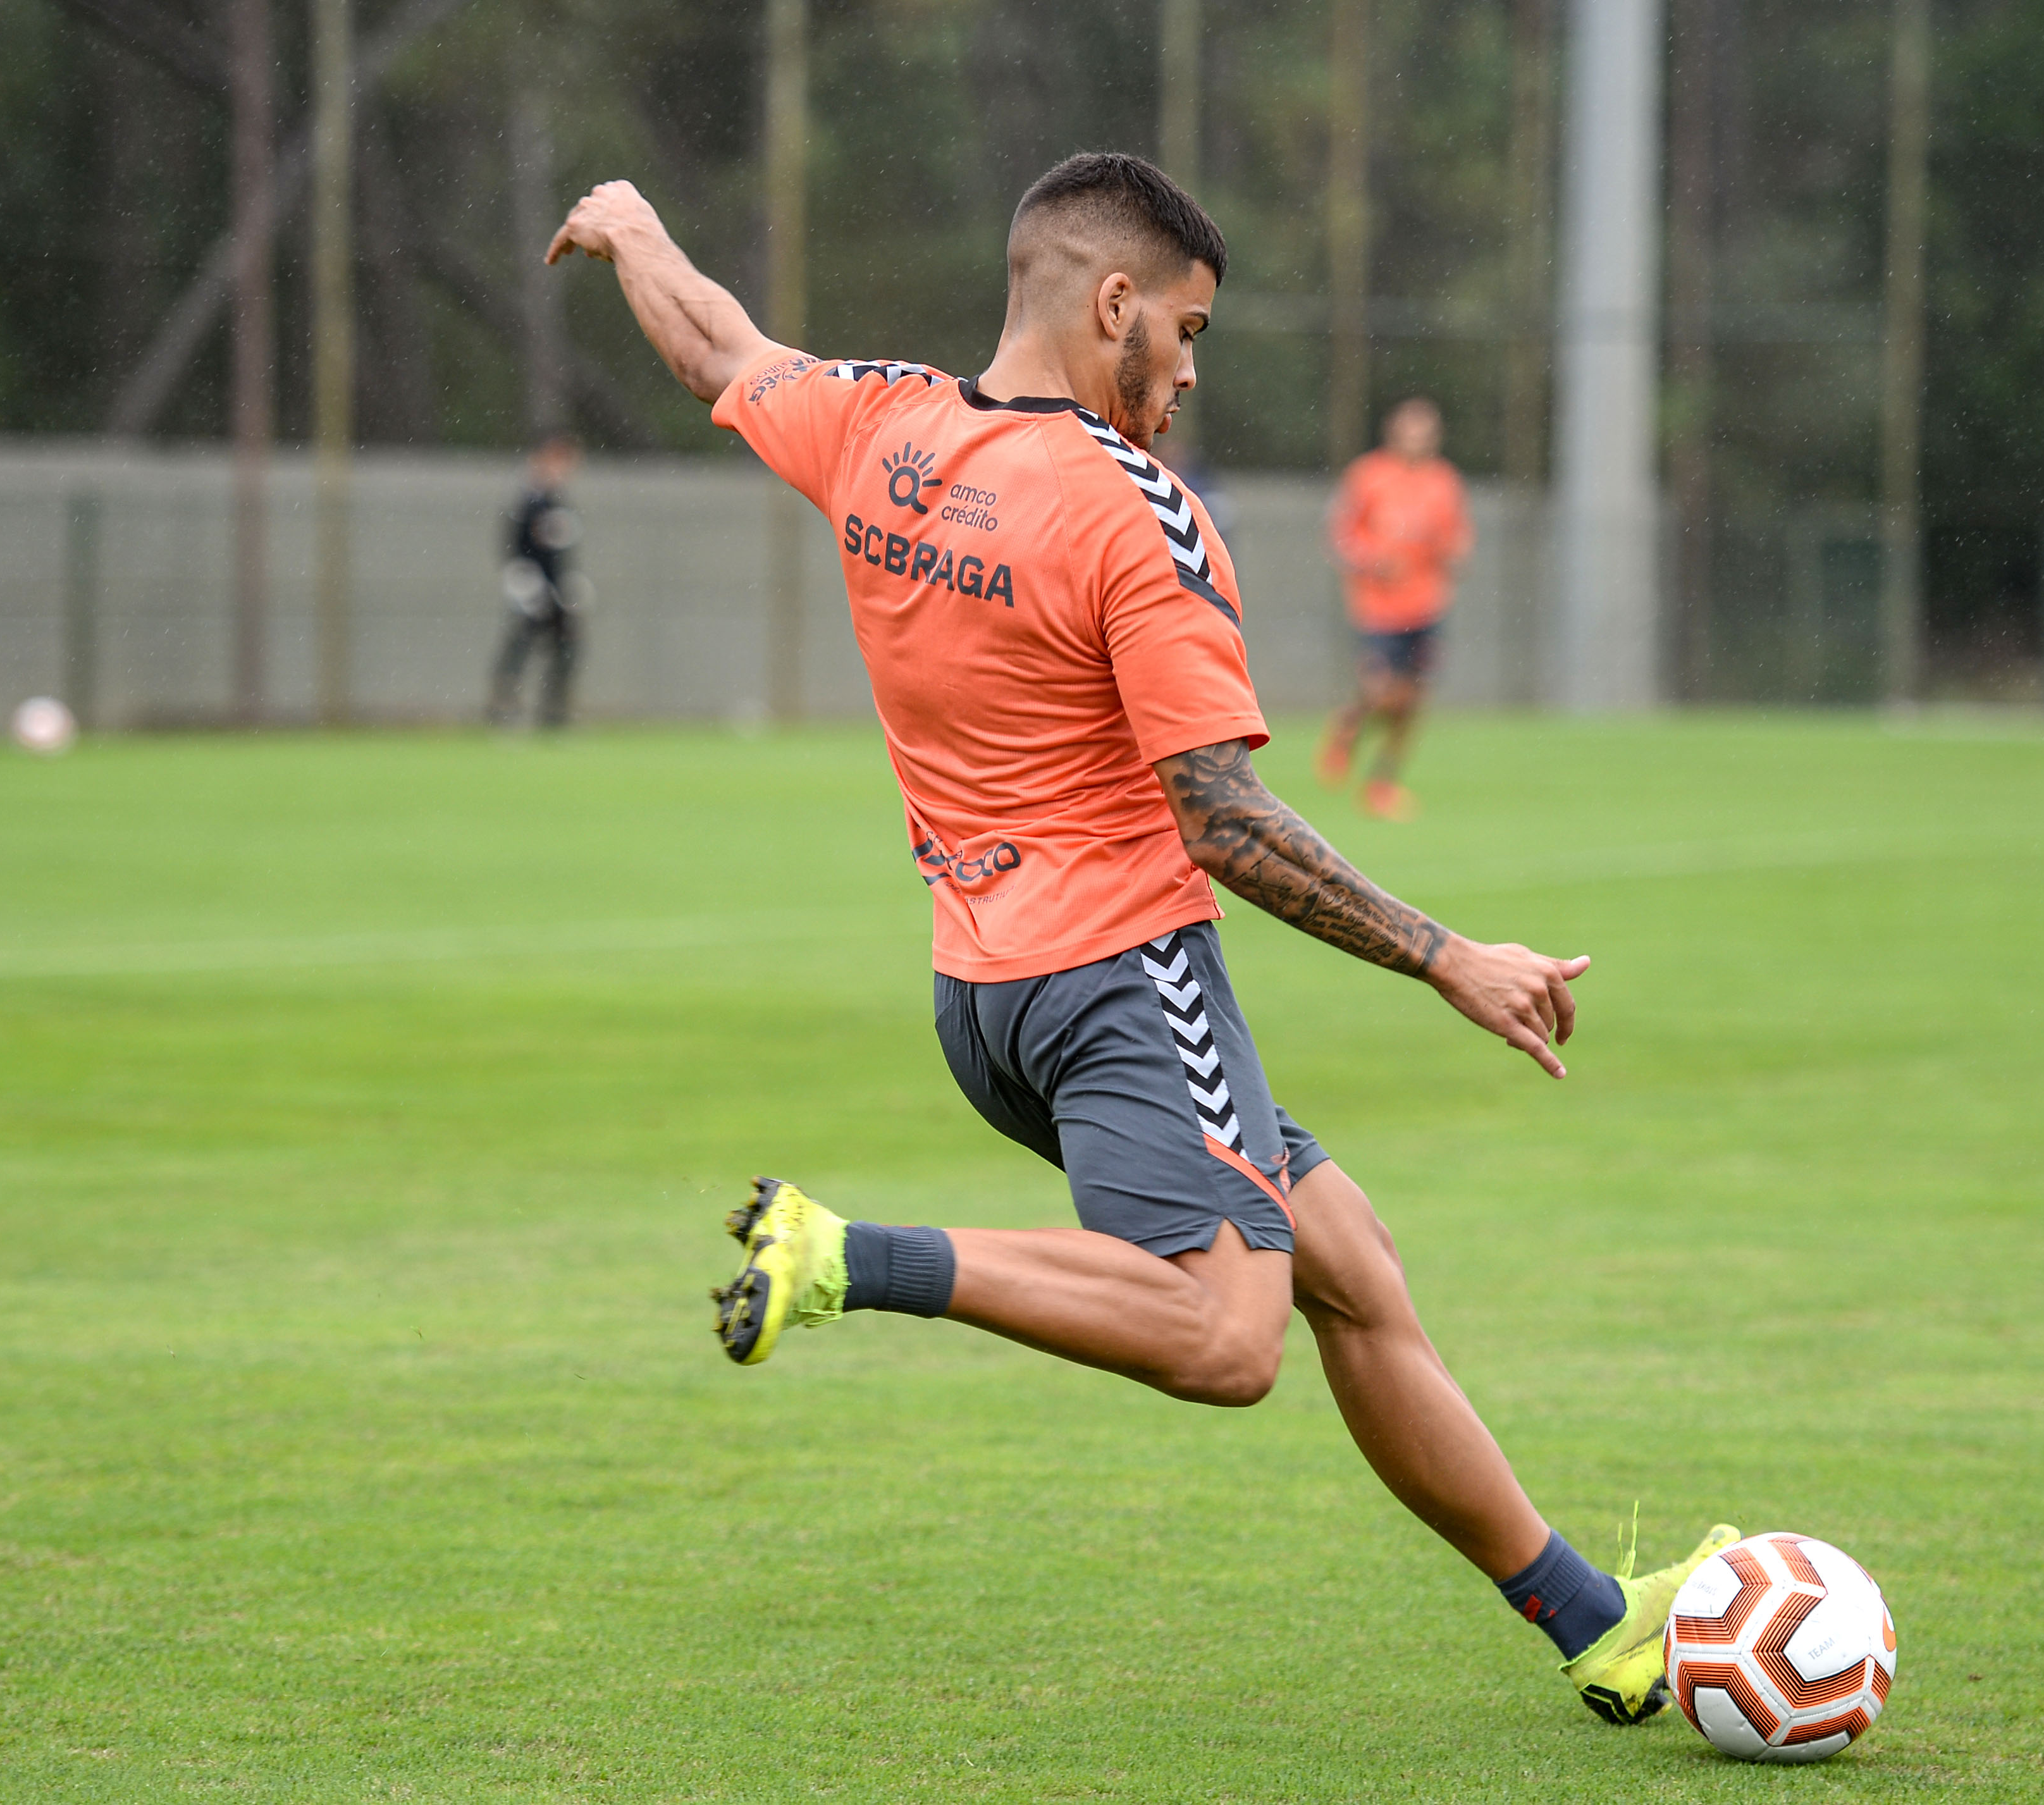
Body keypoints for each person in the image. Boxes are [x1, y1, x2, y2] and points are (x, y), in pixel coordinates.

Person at [545, 152, 1734, 1728]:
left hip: (982, 998)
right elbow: (1222, 818)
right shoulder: (1133, 512)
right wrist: (1447, 954)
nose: (1187, 370)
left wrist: (632, 225)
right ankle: (845, 1256)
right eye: (1186, 329)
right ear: (1115, 303)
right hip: (1124, 979)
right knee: (1229, 1333)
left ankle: (1596, 1623)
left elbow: (718, 347)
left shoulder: (886, 424)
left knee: (1352, 1269)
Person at [1315, 397, 1473, 820]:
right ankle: (1349, 725)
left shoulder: (1444, 481)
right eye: (1410, 431)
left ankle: (1382, 783)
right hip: (1377, 609)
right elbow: (1339, 535)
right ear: (1393, 432)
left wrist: (1454, 555)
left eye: (1425, 432)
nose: (1417, 440)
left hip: (1426, 607)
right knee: (1379, 692)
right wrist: (1371, 560)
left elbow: (1457, 538)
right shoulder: (1368, 475)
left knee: (1412, 703)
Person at [487, 433, 584, 729]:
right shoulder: (527, 502)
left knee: (568, 647)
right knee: (520, 647)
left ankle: (554, 713)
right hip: (531, 588)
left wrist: (568, 585)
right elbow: (515, 546)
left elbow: (559, 552)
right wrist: (523, 580)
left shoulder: (557, 502)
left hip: (554, 590)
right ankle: (503, 710)